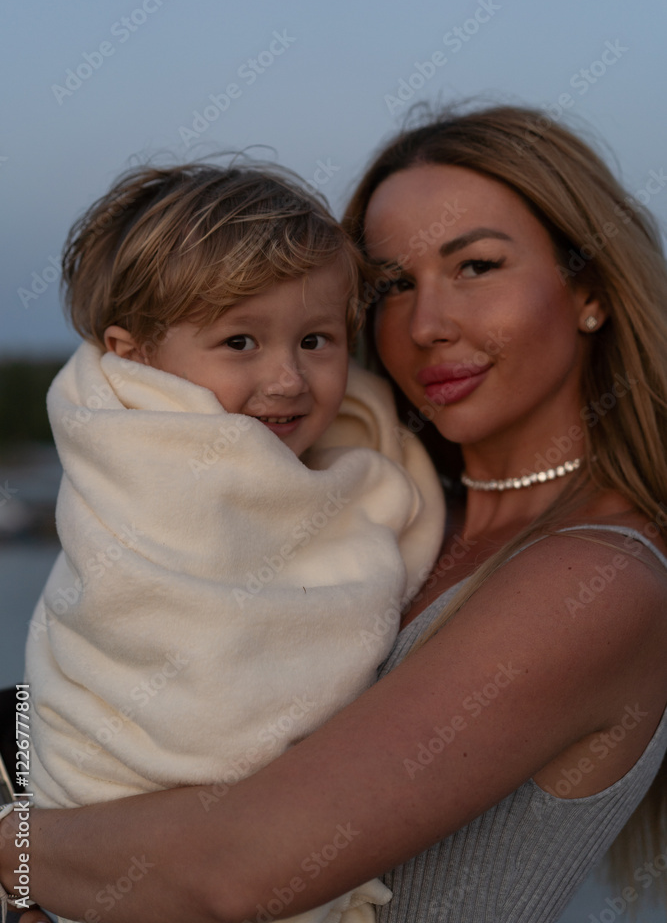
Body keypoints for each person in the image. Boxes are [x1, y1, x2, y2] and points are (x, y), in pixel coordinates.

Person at [2, 103, 666, 923]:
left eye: (476, 266)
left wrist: (14, 849)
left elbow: (237, 869)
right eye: (392, 286)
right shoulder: (376, 505)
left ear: (590, 290)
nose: (427, 325)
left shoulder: (597, 579)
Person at [13, 162, 445, 923]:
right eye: (239, 340)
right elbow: (189, 654)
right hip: (120, 829)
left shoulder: (340, 459)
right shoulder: (148, 467)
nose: (288, 379)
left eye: (316, 340)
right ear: (134, 359)